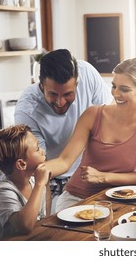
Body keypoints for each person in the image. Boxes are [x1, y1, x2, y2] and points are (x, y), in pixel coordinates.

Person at [46, 57, 136, 212]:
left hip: (120, 200)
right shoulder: (93, 115)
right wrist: (40, 171)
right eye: (114, 86)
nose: (116, 94)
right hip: (77, 198)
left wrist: (103, 176)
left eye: (124, 89)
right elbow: (64, 161)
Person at [14, 49, 113, 196]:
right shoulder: (27, 112)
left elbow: (109, 118)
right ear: (41, 86)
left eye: (68, 94)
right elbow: (40, 168)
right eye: (53, 94)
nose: (60, 102)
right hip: (54, 179)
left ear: (77, 84)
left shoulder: (87, 73)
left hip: (92, 172)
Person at [0, 125, 50, 241]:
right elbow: (25, 226)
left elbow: (42, 220)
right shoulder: (3, 193)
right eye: (37, 149)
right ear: (21, 164)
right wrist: (40, 185)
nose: (43, 151)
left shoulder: (34, 180)